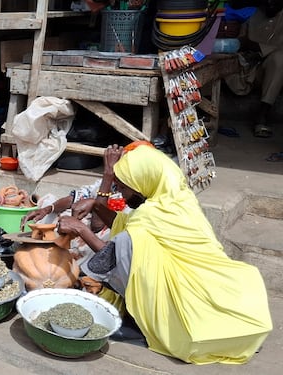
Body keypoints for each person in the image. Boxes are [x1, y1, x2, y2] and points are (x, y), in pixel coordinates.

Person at [55, 144, 272, 364]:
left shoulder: (151, 215)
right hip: (188, 279)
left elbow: (115, 254)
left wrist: (80, 229)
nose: (120, 193)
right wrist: (96, 204)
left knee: (124, 242)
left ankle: (145, 320)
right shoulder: (175, 199)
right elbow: (123, 223)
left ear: (142, 184)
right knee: (127, 239)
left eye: (123, 188)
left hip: (187, 294)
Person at [225, 0, 283, 138]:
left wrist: (256, 46)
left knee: (280, 59)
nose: (271, 1)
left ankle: (263, 115)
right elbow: (241, 40)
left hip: (271, 72)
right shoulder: (255, 14)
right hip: (250, 68)